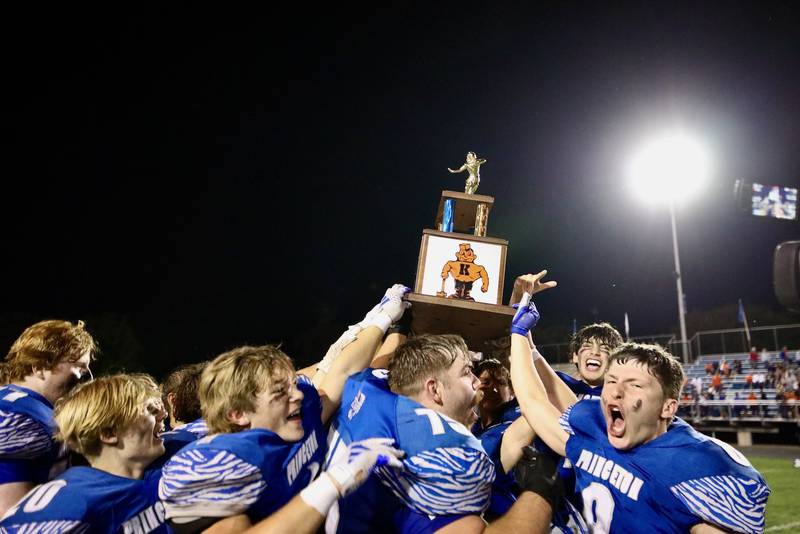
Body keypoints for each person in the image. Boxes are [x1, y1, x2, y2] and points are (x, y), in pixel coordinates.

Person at [509, 290, 770, 533]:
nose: (616, 392)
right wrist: (519, 333)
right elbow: (535, 404)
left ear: (668, 407)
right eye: (611, 381)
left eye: (634, 384)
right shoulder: (593, 423)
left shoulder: (701, 463)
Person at [159, 285, 411, 532]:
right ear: (237, 414)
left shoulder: (300, 415)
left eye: (292, 385)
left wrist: (381, 319)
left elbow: (341, 372)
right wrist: (334, 481)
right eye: (280, 392)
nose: (298, 394)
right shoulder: (214, 461)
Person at [325, 333, 556, 533]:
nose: (477, 383)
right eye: (467, 373)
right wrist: (540, 492)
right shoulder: (444, 457)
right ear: (434, 389)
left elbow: (371, 369)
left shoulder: (368, 388)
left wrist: (392, 325)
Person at [0, 374, 171, 532]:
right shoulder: (90, 504)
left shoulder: (84, 488)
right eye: (149, 411)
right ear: (109, 433)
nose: (160, 415)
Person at [0, 319, 96, 516]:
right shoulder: (16, 414)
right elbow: (10, 515)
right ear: (39, 365)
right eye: (79, 366)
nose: (88, 378)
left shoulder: (29, 406)